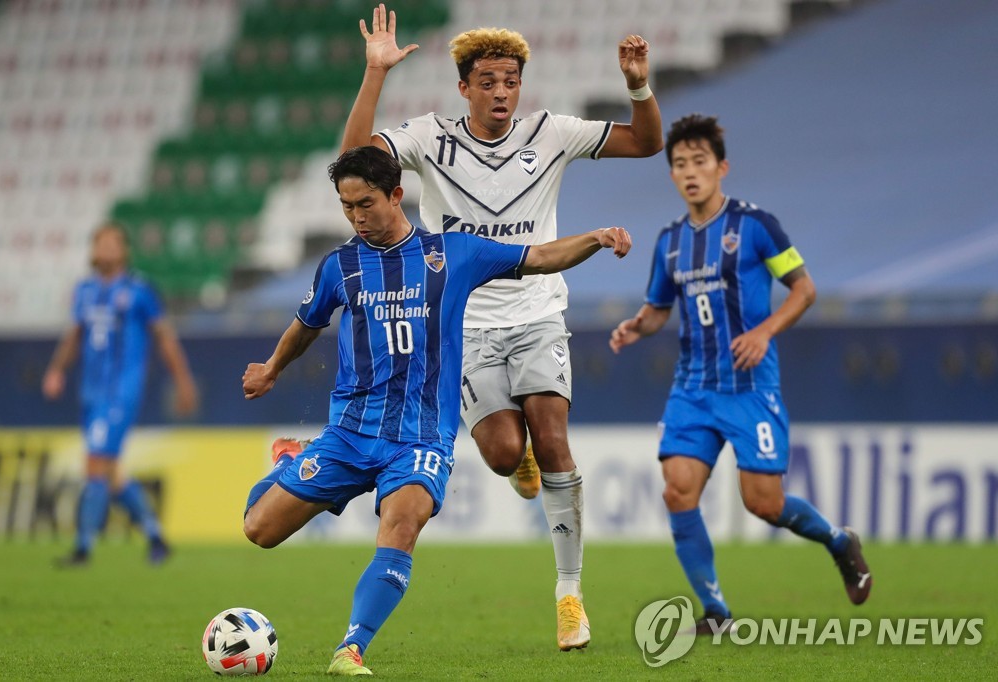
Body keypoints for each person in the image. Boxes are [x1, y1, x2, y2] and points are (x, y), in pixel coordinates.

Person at [337, 4, 664, 649]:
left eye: (510, 81)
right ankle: (520, 463)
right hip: (464, 327)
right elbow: (355, 159)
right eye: (487, 81)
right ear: (464, 87)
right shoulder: (431, 139)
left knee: (555, 439)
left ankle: (569, 594)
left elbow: (647, 142)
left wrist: (638, 86)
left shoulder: (551, 132)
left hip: (539, 313)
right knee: (504, 453)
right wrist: (376, 73)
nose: (501, 93)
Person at [241, 146, 631, 675]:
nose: (356, 217)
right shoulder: (340, 265)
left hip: (421, 437)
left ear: (396, 195)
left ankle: (351, 648)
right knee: (258, 530)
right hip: (350, 433)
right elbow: (306, 323)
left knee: (402, 525)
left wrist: (596, 238)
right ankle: (292, 459)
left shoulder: (451, 255)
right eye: (346, 206)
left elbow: (538, 257)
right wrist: (271, 368)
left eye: (366, 204)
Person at [609, 114, 872, 632]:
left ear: (721, 167)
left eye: (699, 161)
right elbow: (659, 309)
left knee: (764, 504)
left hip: (749, 386)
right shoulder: (670, 241)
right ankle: (717, 612)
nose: (690, 172)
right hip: (693, 387)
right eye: (680, 164)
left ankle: (839, 541)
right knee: (677, 491)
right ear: (671, 174)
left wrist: (764, 332)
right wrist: (638, 326)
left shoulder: (756, 226)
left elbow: (804, 290)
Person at [42, 223, 198, 566]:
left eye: (114, 243)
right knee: (112, 473)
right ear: (93, 250)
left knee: (95, 463)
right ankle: (156, 537)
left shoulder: (139, 290)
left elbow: (164, 337)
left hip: (120, 392)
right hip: (90, 392)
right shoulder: (84, 290)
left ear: (125, 250)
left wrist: (183, 381)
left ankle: (83, 548)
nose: (107, 249)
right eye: (101, 243)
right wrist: (56, 370)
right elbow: (74, 335)